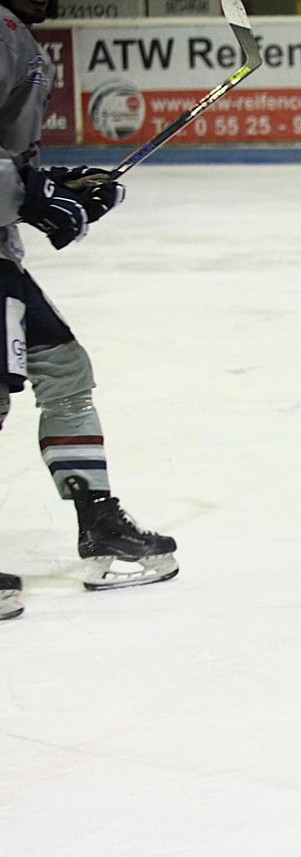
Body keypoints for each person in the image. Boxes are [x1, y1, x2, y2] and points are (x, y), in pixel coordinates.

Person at [1, 0, 179, 622]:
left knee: (63, 367)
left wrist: (54, 185)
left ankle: (98, 523)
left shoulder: (14, 34)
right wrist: (31, 194)